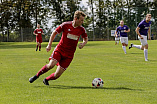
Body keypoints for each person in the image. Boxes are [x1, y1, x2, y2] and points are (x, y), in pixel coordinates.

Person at [29, 11, 88, 85]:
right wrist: (49, 45)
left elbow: (85, 38)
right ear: (76, 18)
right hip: (60, 50)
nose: (82, 22)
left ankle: (46, 79)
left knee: (57, 75)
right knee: (51, 65)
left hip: (69, 55)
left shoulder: (81, 29)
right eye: (81, 20)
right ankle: (36, 76)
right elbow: (54, 32)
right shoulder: (65, 25)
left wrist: (83, 43)